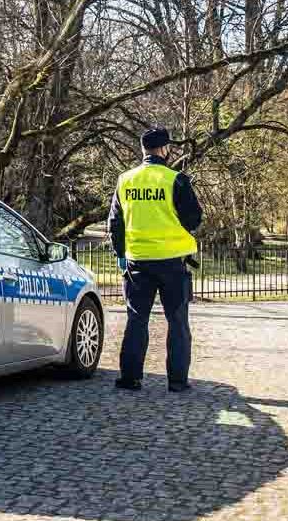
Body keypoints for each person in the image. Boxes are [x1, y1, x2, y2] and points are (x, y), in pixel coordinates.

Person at [108, 127, 202, 392]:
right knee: (177, 321)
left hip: (137, 260)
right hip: (172, 261)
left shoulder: (125, 180)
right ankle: (177, 381)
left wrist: (120, 254)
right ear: (164, 149)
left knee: (136, 319)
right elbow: (194, 219)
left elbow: (115, 222)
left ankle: (130, 378)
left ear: (143, 150)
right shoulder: (176, 180)